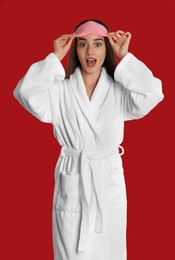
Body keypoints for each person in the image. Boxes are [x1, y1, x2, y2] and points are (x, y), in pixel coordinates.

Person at [13, 19, 164, 260]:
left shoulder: (118, 91)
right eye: (82, 44)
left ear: (107, 50)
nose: (90, 51)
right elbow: (24, 92)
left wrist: (125, 58)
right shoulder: (59, 91)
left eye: (97, 44)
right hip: (74, 179)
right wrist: (54, 58)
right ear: (75, 50)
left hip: (108, 181)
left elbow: (153, 93)